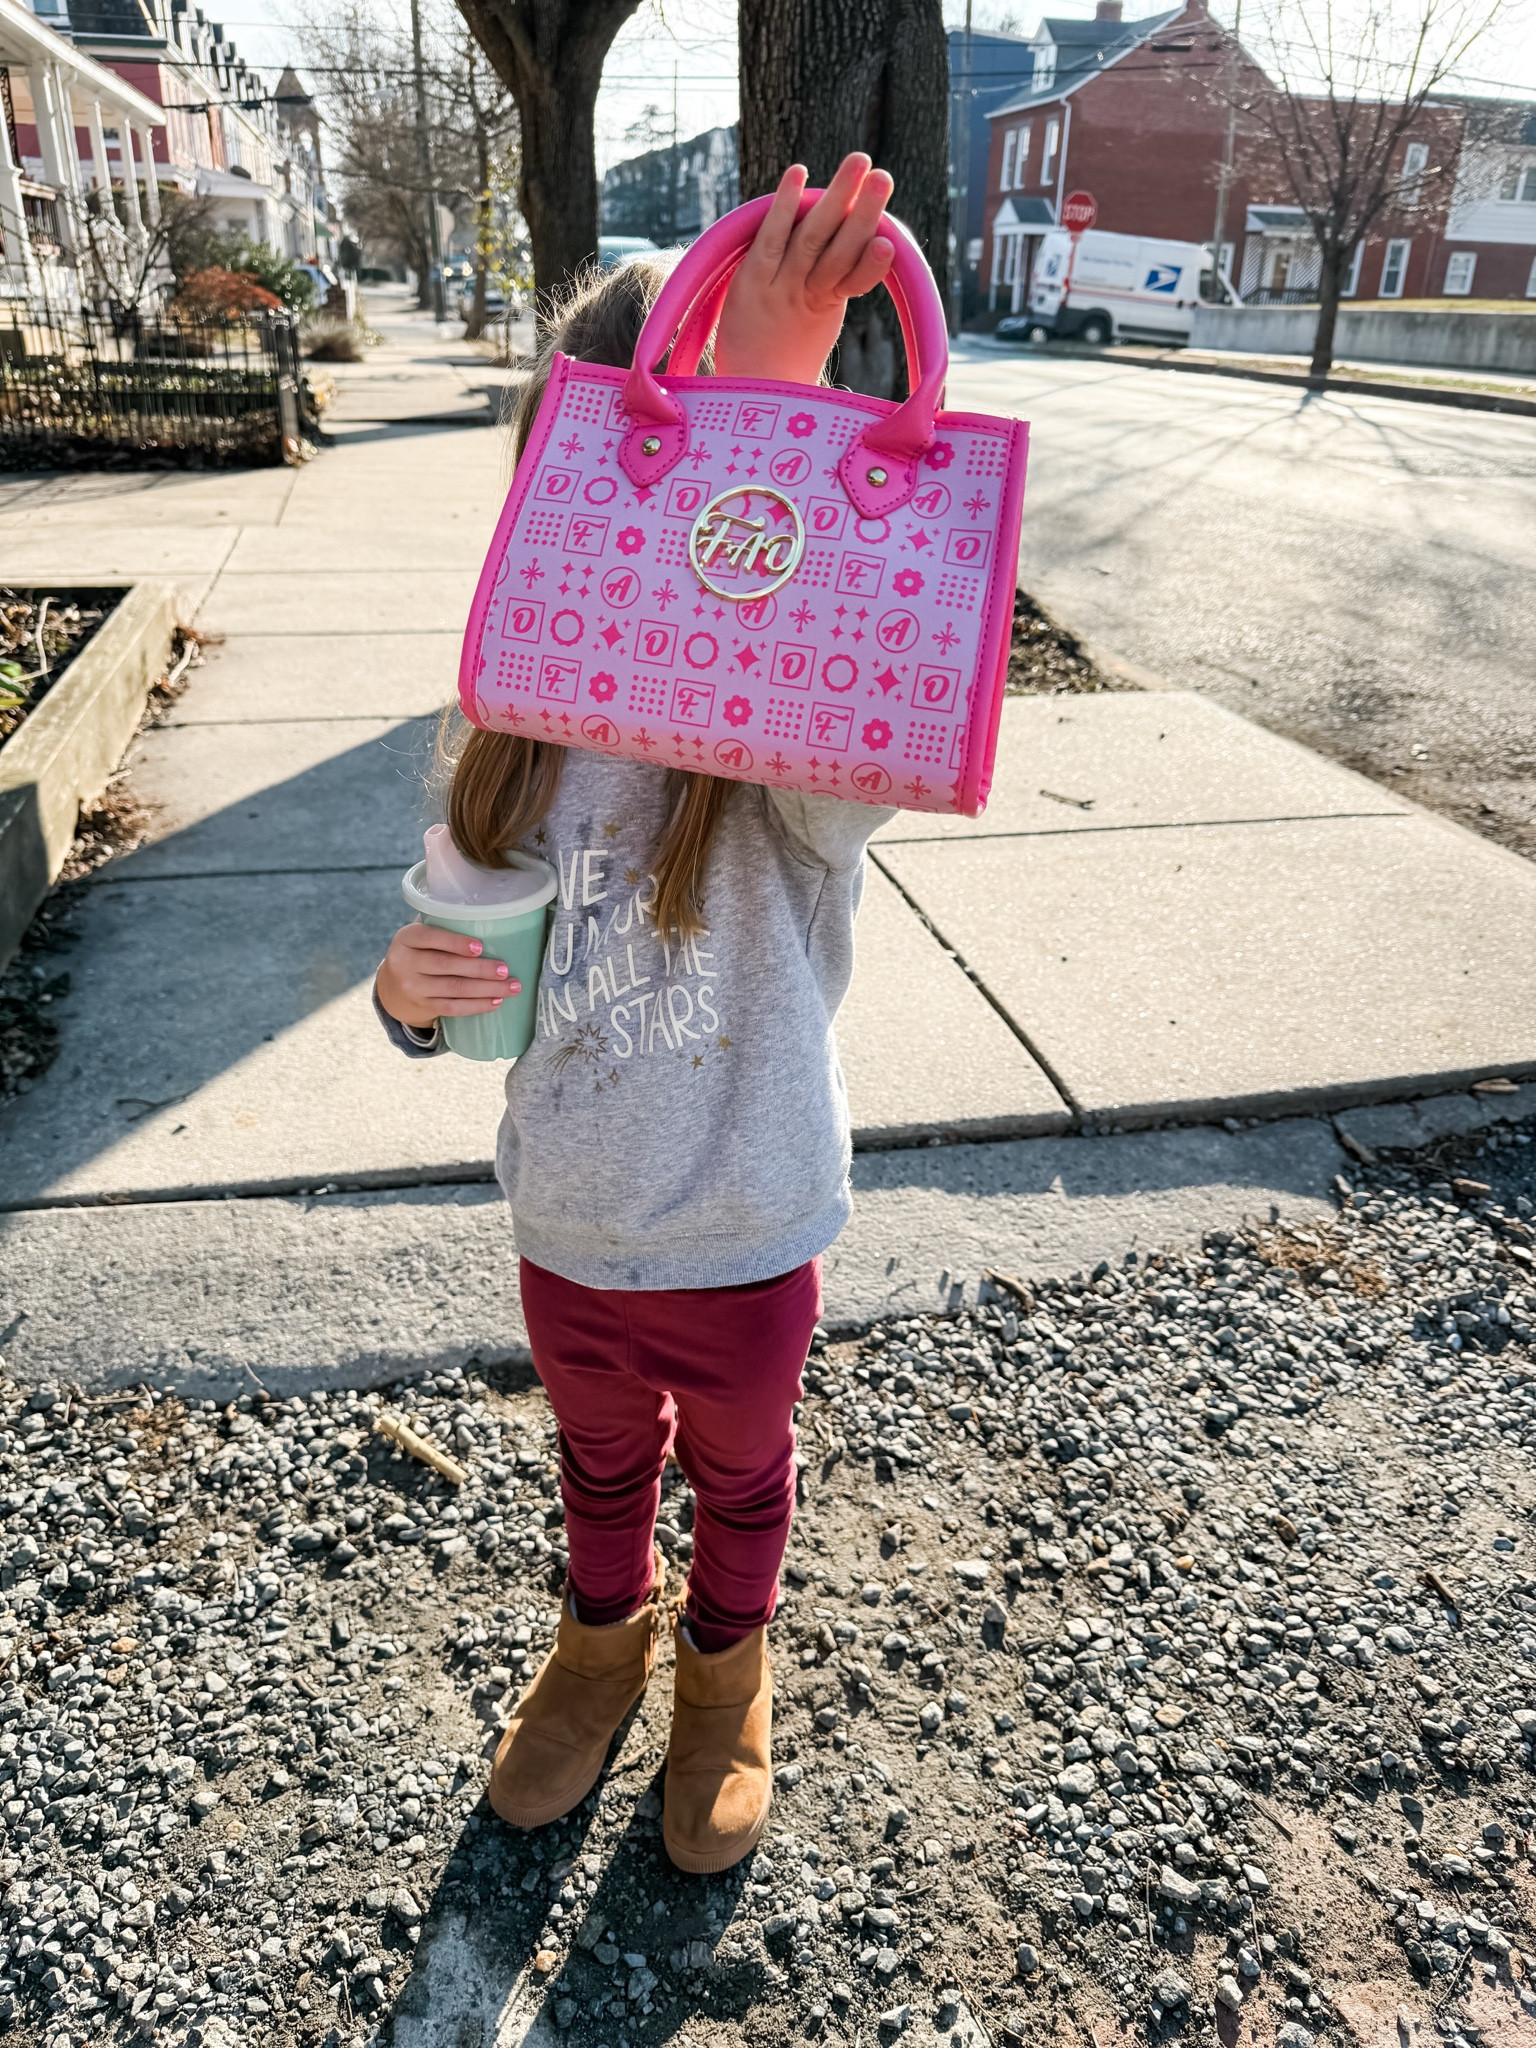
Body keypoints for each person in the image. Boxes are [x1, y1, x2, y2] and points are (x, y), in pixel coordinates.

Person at [374, 155, 899, 1876]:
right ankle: (603, 1643)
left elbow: (840, 682)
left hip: (746, 1231)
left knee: (745, 1475)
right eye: (595, 467)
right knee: (601, 1471)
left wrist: (772, 399)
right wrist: (406, 995)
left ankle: (721, 1677)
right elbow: (454, 975)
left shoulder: (782, 746)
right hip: (570, 1225)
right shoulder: (508, 731)